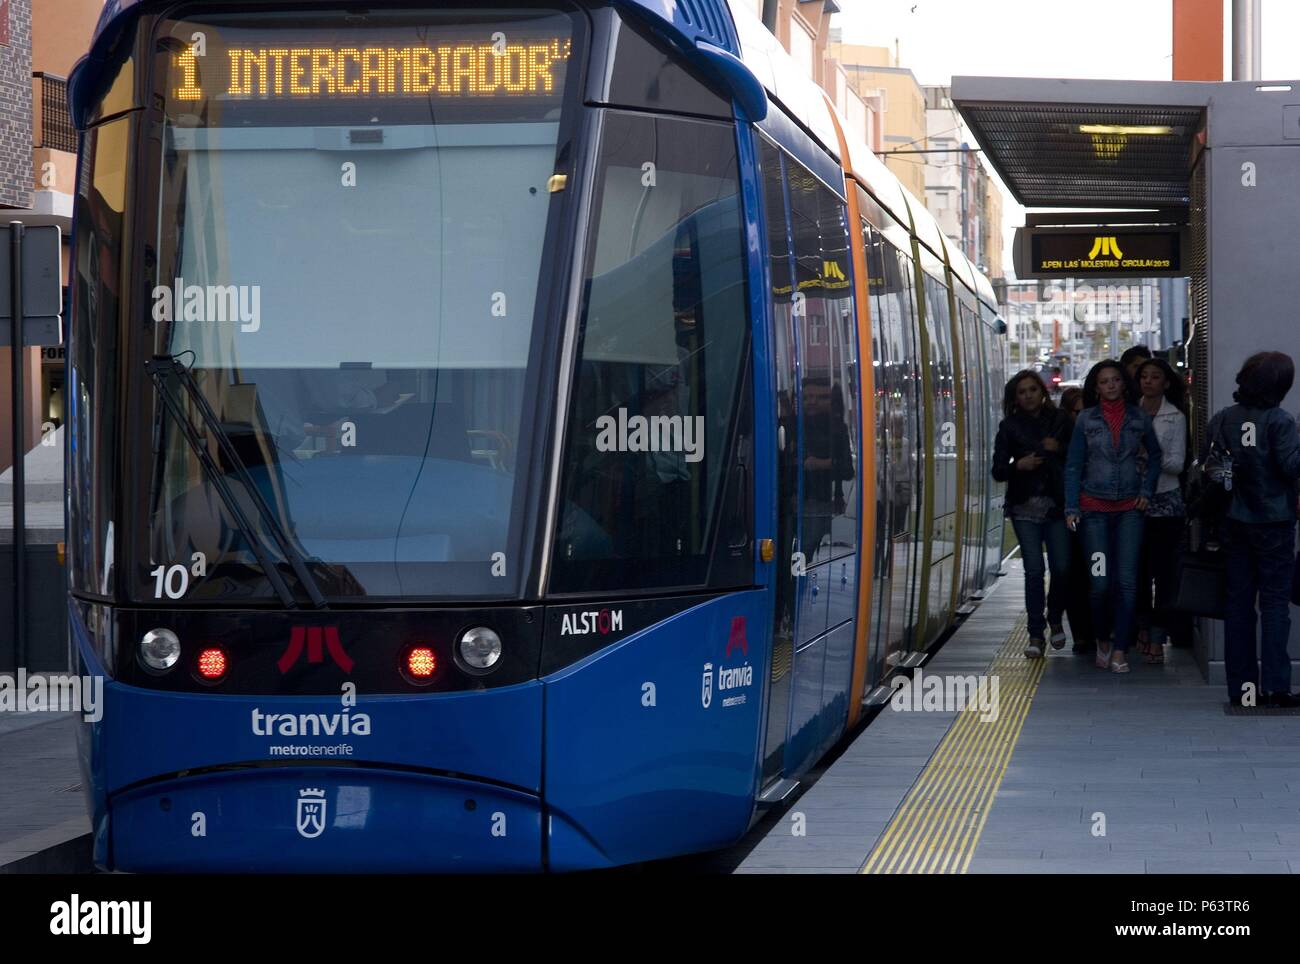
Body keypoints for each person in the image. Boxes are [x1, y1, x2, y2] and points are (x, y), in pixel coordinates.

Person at [1207, 352, 1300, 708]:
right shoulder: (1280, 421)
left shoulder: (1224, 419)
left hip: (1234, 520)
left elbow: (1213, 468)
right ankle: (1277, 687)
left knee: (1239, 606)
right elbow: (1291, 467)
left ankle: (1243, 691)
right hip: (1274, 521)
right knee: (1275, 605)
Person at [1065, 360, 1162, 673]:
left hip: (1130, 511)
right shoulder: (1086, 420)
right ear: (1096, 387)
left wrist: (1146, 491)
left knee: (1128, 582)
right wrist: (1071, 507)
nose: (1110, 386)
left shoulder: (1139, 417)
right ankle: (1102, 640)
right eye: (1104, 381)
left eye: (1115, 380)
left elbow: (1156, 455)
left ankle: (1120, 649)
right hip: (1093, 511)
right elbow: (1074, 464)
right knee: (1100, 583)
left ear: (1123, 384)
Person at [992, 370, 1073, 658]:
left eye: (1032, 390)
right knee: (1034, 570)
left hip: (1058, 504)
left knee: (1062, 567)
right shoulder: (1009, 426)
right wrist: (1018, 466)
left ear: (1042, 392)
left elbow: (1078, 456)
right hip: (1024, 506)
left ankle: (1055, 616)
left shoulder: (1062, 421)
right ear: (1015, 398)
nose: (1028, 395)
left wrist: (1059, 448)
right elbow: (998, 470)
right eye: (1021, 392)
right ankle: (1036, 632)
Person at [1133, 358, 1190, 663]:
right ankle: (1142, 627)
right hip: (1133, 501)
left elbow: (1177, 464)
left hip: (1166, 500)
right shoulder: (1130, 413)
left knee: (1163, 573)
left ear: (1166, 383)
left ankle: (1158, 634)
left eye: (1155, 377)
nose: (1149, 382)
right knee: (1137, 571)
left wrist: (1149, 454)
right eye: (1144, 377)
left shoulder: (1175, 417)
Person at [1059, 386, 1095, 655]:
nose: (1081, 417)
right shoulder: (1062, 436)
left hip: (1097, 510)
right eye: (1076, 412)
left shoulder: (1098, 432)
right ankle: (1081, 633)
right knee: (1072, 573)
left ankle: (1099, 630)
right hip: (1071, 512)